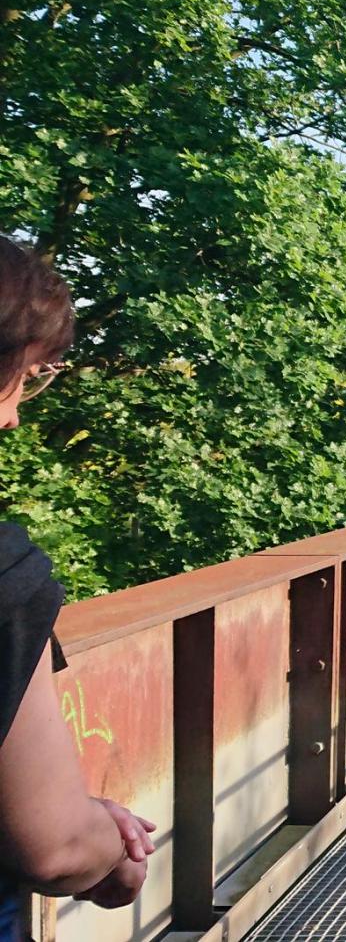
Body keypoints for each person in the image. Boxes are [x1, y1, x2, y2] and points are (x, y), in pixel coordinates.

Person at [0, 237, 154, 937]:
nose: (13, 414)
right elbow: (55, 846)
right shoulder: (5, 575)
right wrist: (113, 847)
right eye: (23, 377)